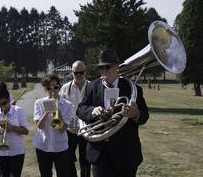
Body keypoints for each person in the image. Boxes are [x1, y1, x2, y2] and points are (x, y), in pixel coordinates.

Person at [76, 49, 149, 177]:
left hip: (126, 154)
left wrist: (135, 114)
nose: (104, 71)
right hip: (99, 153)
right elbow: (80, 109)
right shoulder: (91, 86)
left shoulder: (133, 88)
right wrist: (92, 110)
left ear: (117, 67)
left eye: (107, 67)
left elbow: (144, 116)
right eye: (101, 68)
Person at [32, 73, 72, 177]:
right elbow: (39, 126)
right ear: (45, 88)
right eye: (49, 88)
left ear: (59, 86)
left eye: (55, 87)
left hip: (60, 147)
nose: (53, 90)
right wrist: (47, 111)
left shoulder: (67, 104)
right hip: (43, 146)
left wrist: (57, 110)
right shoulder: (39, 103)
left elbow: (63, 129)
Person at [0, 82, 29, 177]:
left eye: (4, 103)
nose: (2, 106)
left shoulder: (19, 110)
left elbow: (26, 131)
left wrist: (13, 128)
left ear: (8, 100)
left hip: (17, 151)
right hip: (1, 152)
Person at [59, 61, 91, 177]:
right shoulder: (65, 88)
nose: (78, 75)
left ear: (85, 72)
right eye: (76, 72)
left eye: (81, 72)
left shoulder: (91, 86)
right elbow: (60, 107)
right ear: (72, 72)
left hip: (87, 129)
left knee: (86, 161)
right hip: (70, 130)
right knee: (68, 159)